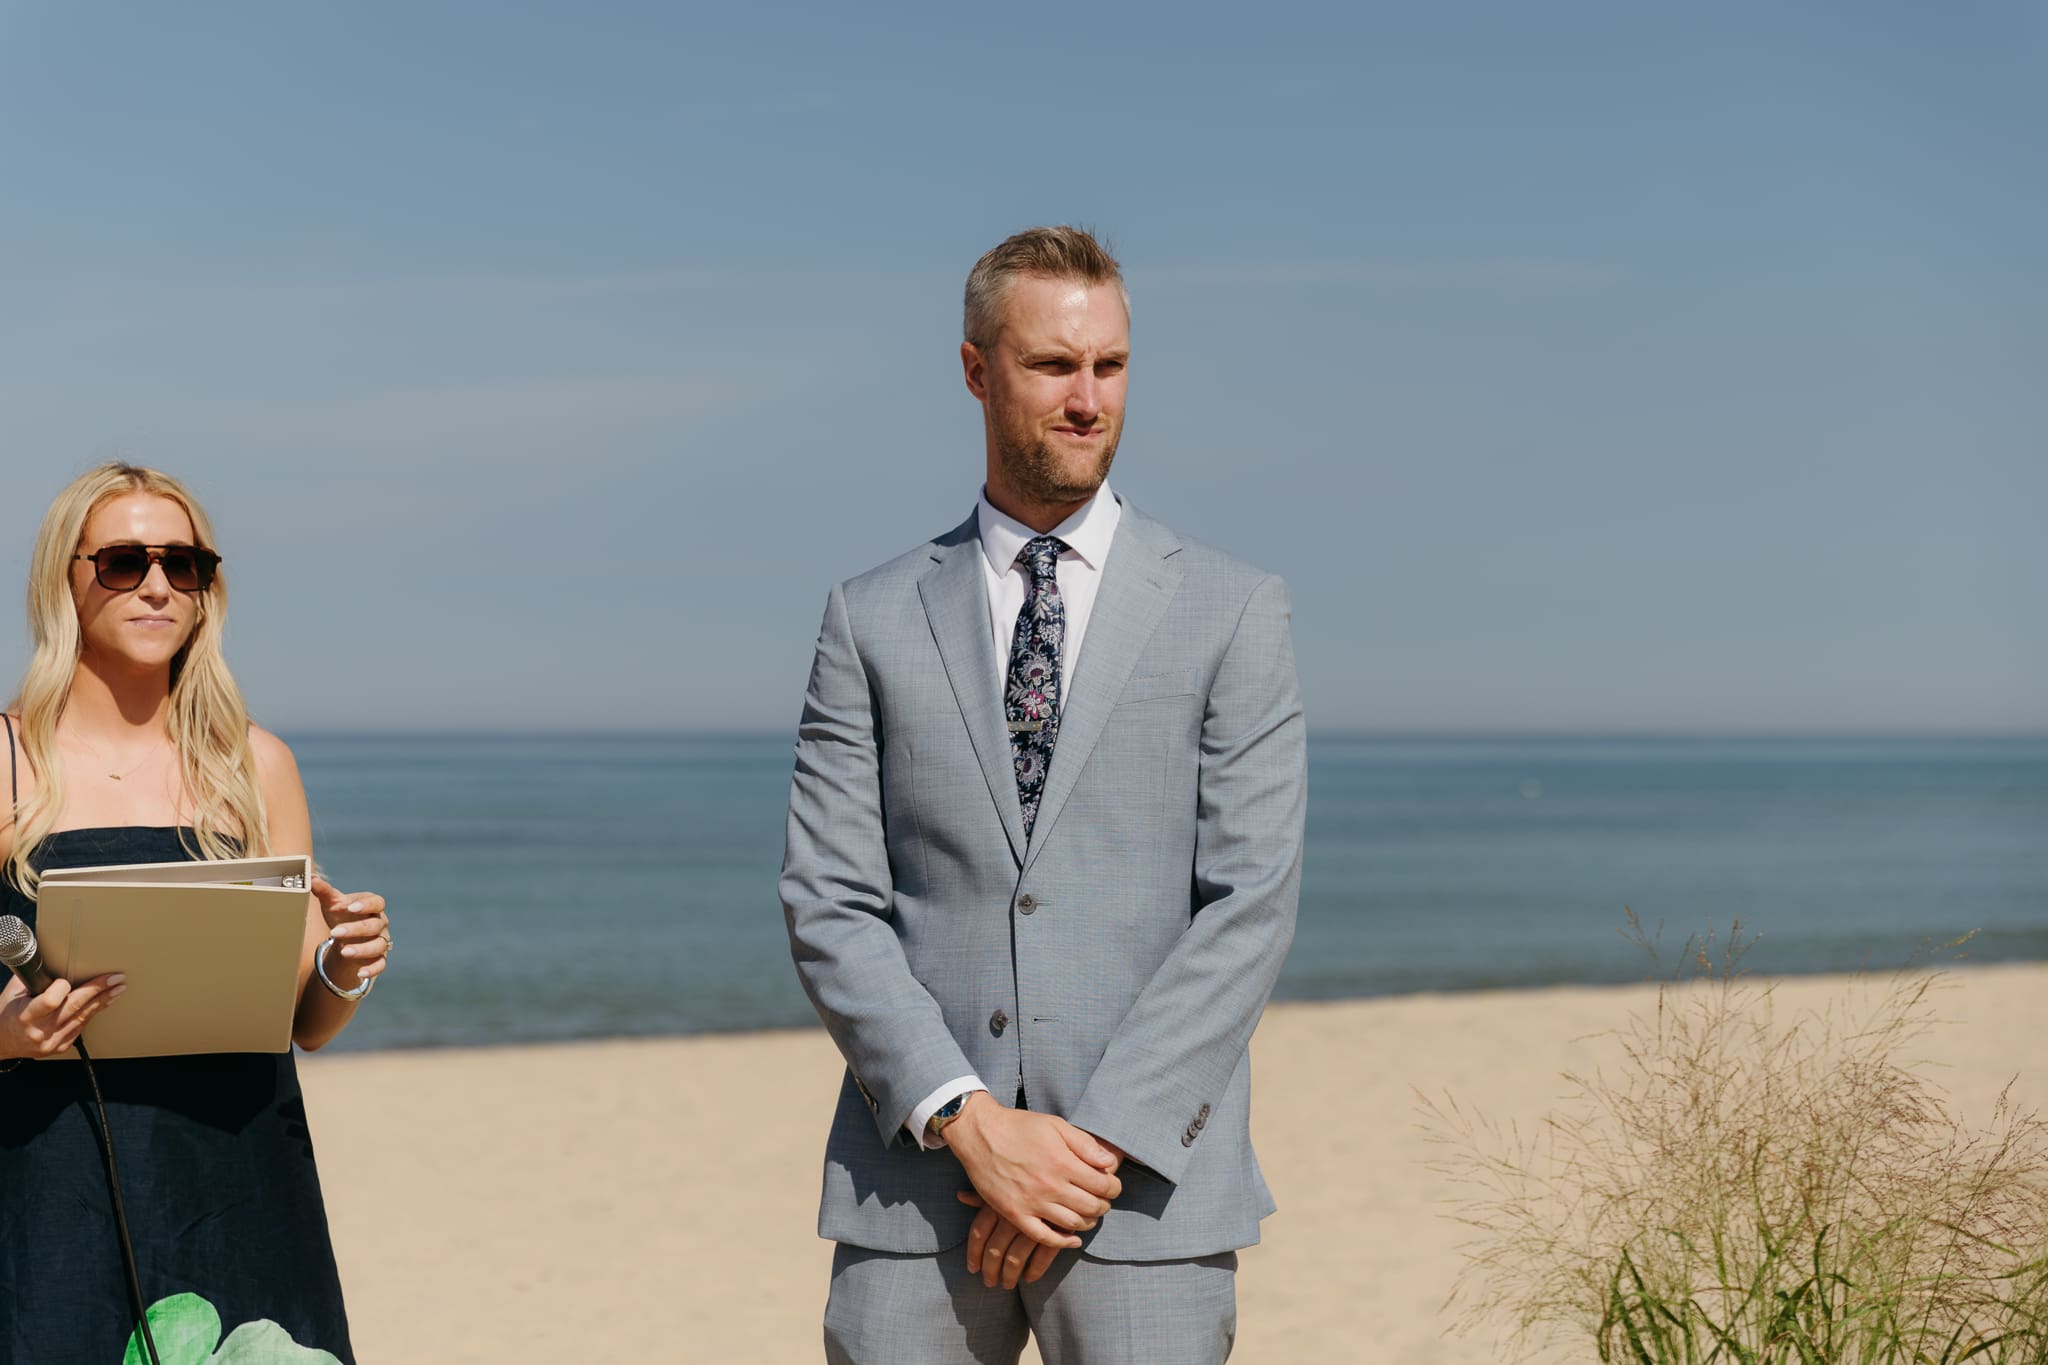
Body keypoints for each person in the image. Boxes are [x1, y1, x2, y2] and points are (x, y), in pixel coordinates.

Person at [781, 226, 1306, 1364]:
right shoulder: (866, 617)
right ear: (975, 369)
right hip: (916, 1194)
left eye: (1108, 368)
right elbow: (827, 902)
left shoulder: (1232, 609)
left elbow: (1247, 906)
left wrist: (1084, 1152)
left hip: (1143, 1192)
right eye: (1051, 366)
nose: (1086, 399)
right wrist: (973, 1128)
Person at [0, 463, 392, 1364]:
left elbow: (305, 1023)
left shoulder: (257, 764)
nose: (156, 585)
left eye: (185, 564)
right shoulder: (10, 762)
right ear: (65, 577)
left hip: (240, 1167)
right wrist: (11, 1031)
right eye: (124, 560)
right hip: (53, 1175)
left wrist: (343, 963)